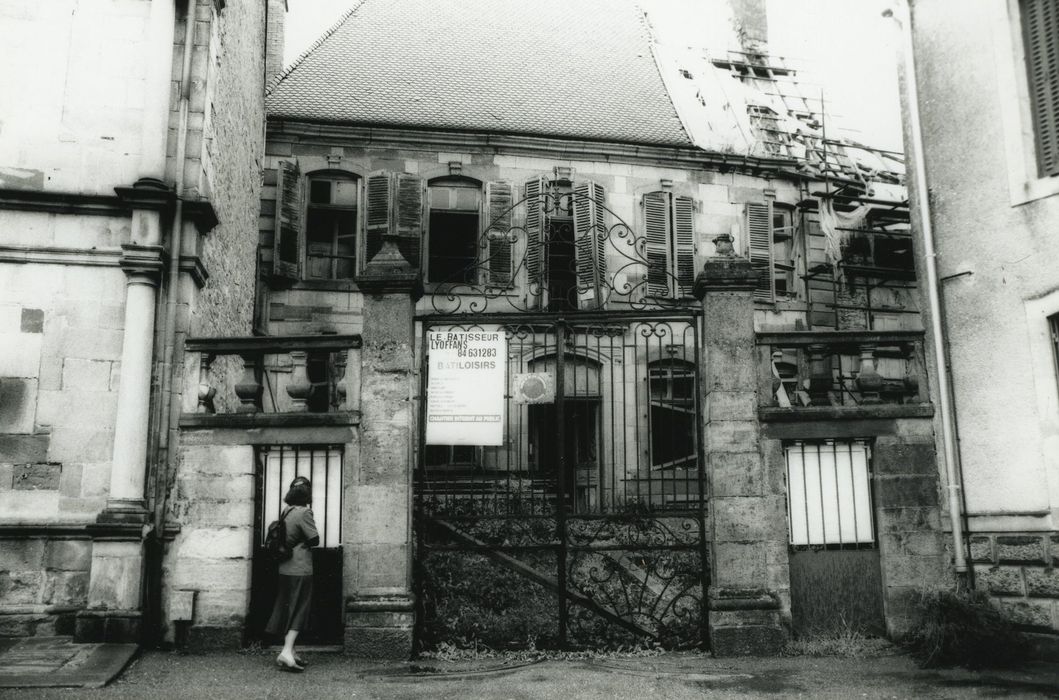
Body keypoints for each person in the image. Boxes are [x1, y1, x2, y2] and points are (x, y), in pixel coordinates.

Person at [266, 477, 318, 672]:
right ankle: (287, 651)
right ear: (307, 494)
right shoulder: (305, 512)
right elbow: (314, 539)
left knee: (288, 606)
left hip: (284, 567)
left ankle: (292, 651)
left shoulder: (286, 511)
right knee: (300, 608)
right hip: (300, 567)